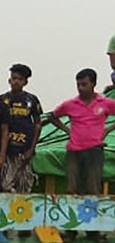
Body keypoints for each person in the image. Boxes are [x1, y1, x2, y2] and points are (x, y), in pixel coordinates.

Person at [48, 68, 115, 196]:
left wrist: (108, 130)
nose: (80, 88)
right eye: (78, 84)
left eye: (84, 84)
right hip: (74, 149)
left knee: (93, 187)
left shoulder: (105, 103)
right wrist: (67, 130)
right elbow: (52, 117)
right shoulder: (70, 104)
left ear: (93, 84)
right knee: (71, 187)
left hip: (94, 149)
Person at [0, 64, 43, 194]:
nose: (16, 81)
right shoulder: (2, 100)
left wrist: (32, 149)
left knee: (24, 187)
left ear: (25, 82)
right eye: (14, 78)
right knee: (5, 185)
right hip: (7, 150)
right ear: (9, 80)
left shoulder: (32, 100)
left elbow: (38, 124)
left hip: (25, 150)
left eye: (19, 79)